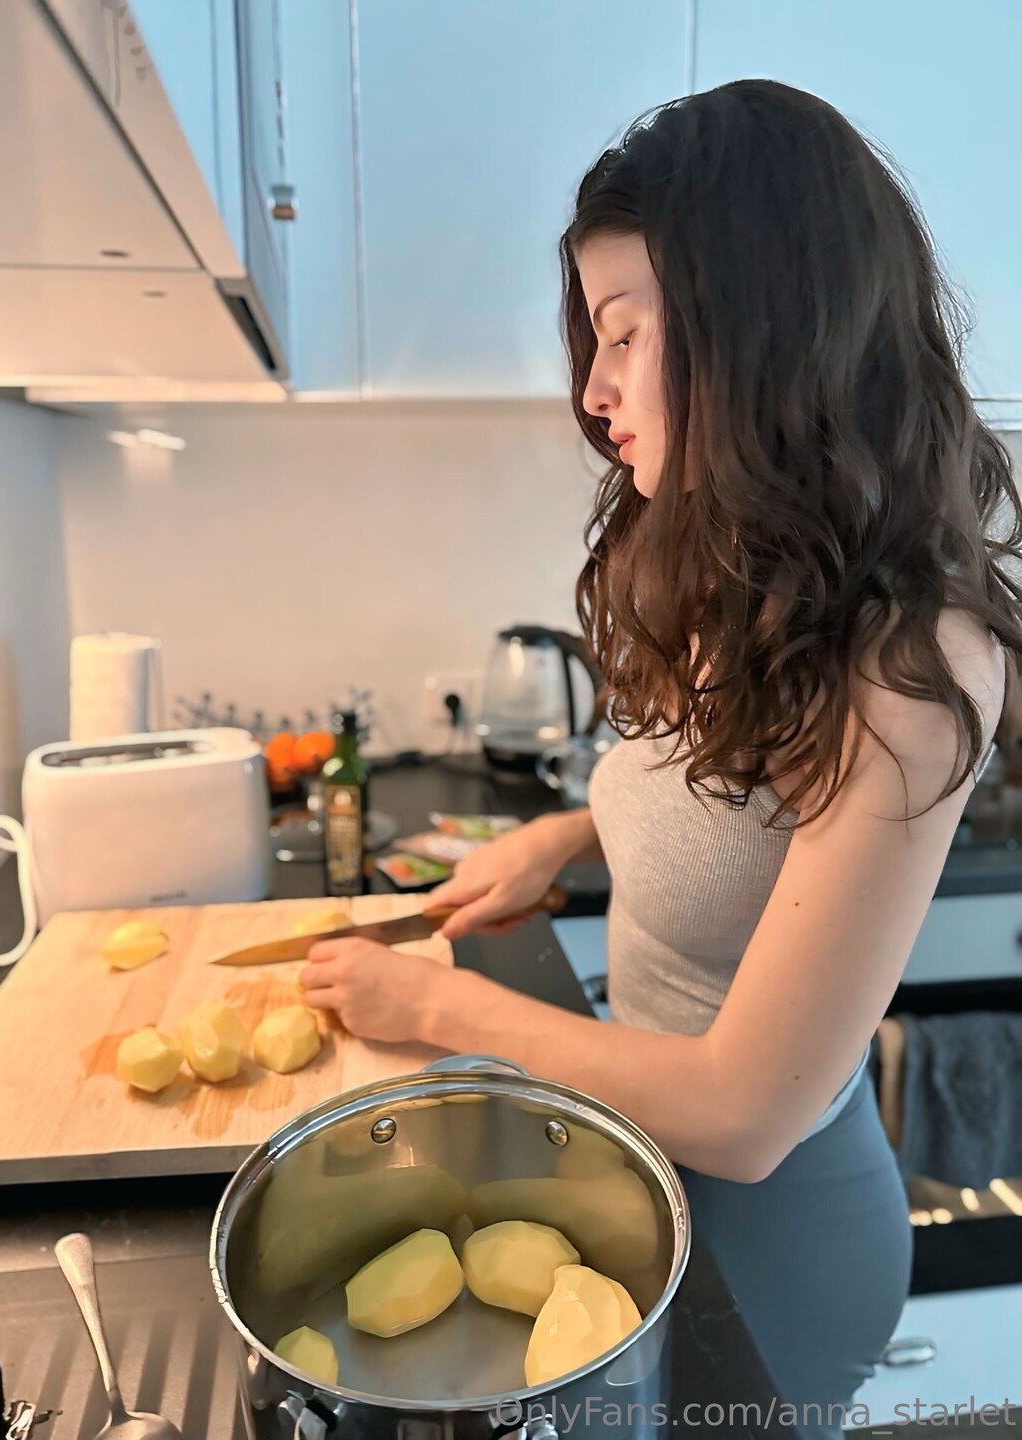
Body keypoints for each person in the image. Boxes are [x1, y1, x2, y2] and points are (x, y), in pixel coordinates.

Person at [300, 80, 1022, 1434]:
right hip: (646, 1163)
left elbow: (746, 1109)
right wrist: (565, 834)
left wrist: (433, 1011)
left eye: (625, 334)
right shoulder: (733, 550)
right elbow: (727, 794)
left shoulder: (912, 669)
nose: (593, 388)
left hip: (779, 1242)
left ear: (766, 329)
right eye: (594, 336)